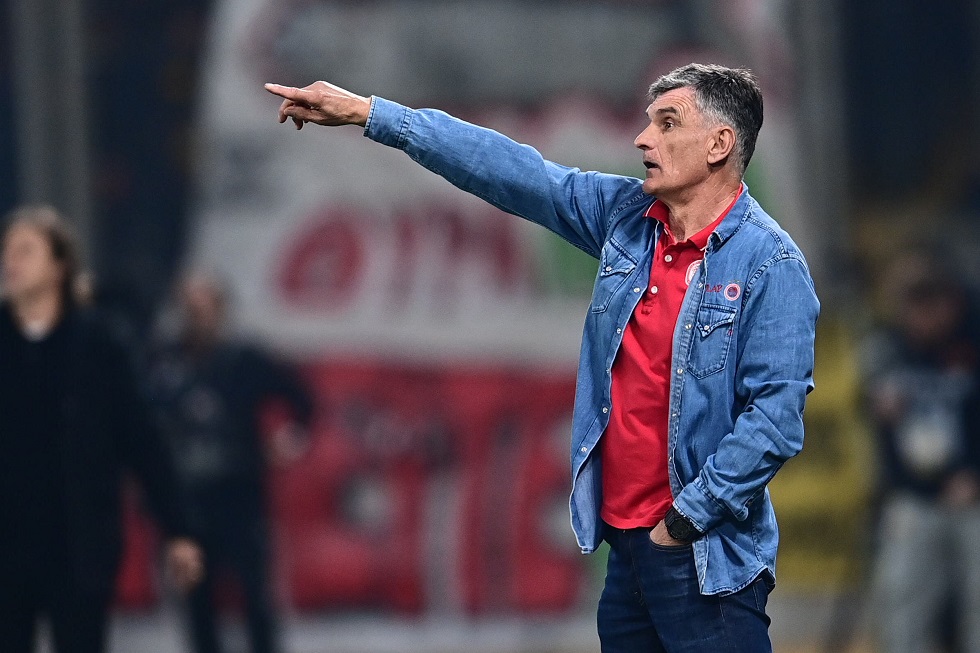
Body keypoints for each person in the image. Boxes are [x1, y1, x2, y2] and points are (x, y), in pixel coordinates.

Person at [265, 62, 819, 651]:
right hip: (627, 554)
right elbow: (511, 169)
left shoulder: (771, 265)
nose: (642, 139)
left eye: (666, 123)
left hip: (704, 561)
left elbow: (774, 422)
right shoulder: (625, 219)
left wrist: (685, 520)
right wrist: (371, 114)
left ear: (719, 144)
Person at [0, 205, 204, 653]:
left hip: (79, 545)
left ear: (59, 266)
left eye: (25, 250)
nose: (11, 262)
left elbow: (143, 441)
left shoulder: (98, 344)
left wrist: (179, 529)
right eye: (7, 251)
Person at [146, 271, 314, 653]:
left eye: (204, 308)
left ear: (220, 311)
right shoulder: (163, 363)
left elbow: (302, 398)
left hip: (238, 495)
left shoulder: (243, 360)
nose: (196, 317)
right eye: (189, 308)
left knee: (254, 594)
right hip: (185, 501)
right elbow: (139, 416)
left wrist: (289, 438)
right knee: (196, 599)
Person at [863, 250, 980, 653]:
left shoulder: (972, 342)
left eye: (932, 302)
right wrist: (877, 404)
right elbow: (868, 408)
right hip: (911, 497)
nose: (924, 316)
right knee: (904, 603)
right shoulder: (888, 349)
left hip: (971, 497)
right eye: (914, 303)